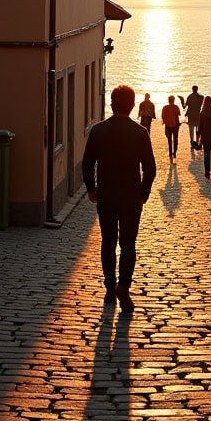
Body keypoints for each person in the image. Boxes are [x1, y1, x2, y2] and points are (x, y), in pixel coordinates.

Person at [82, 83, 156, 312]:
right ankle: (123, 285)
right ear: (133, 105)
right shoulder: (139, 132)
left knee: (108, 242)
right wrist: (143, 194)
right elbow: (150, 168)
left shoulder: (98, 131)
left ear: (111, 103)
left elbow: (87, 163)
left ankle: (108, 289)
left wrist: (92, 189)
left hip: (106, 195)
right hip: (131, 197)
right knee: (128, 244)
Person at [181, 85, 203, 152]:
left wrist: (182, 101)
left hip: (191, 114)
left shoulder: (190, 96)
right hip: (198, 114)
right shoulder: (201, 97)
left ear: (192, 89)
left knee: (191, 128)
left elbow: (185, 106)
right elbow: (201, 105)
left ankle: (192, 142)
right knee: (198, 129)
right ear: (197, 89)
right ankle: (197, 141)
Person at [161, 95, 181, 160]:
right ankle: (174, 152)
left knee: (169, 140)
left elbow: (163, 116)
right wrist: (178, 123)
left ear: (168, 100)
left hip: (168, 125)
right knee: (175, 139)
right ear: (174, 100)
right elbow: (177, 116)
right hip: (175, 125)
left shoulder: (165, 107)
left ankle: (170, 153)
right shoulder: (176, 107)